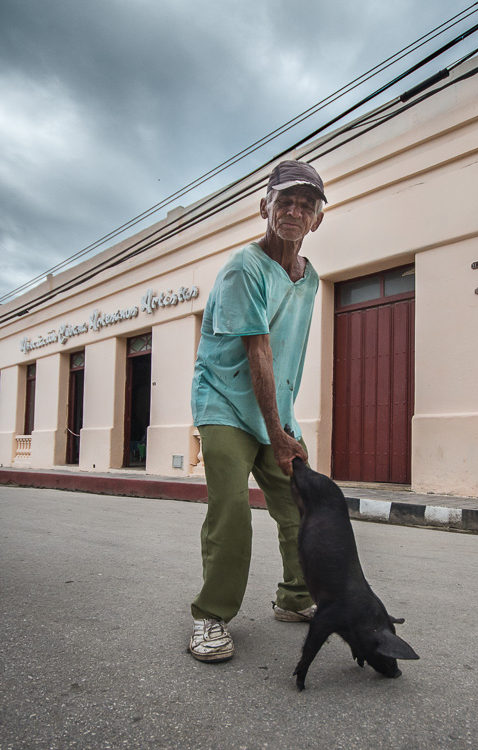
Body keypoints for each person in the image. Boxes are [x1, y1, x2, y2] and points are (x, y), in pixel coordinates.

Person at [189, 160, 326, 662]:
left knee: (300, 505)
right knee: (232, 510)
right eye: (283, 201)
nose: (293, 211)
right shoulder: (245, 267)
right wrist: (279, 432)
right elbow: (259, 350)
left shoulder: (309, 279)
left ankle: (295, 597)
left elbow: (291, 353)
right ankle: (210, 617)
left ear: (317, 220)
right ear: (264, 207)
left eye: (305, 205)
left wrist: (287, 423)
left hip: (272, 410)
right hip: (224, 401)